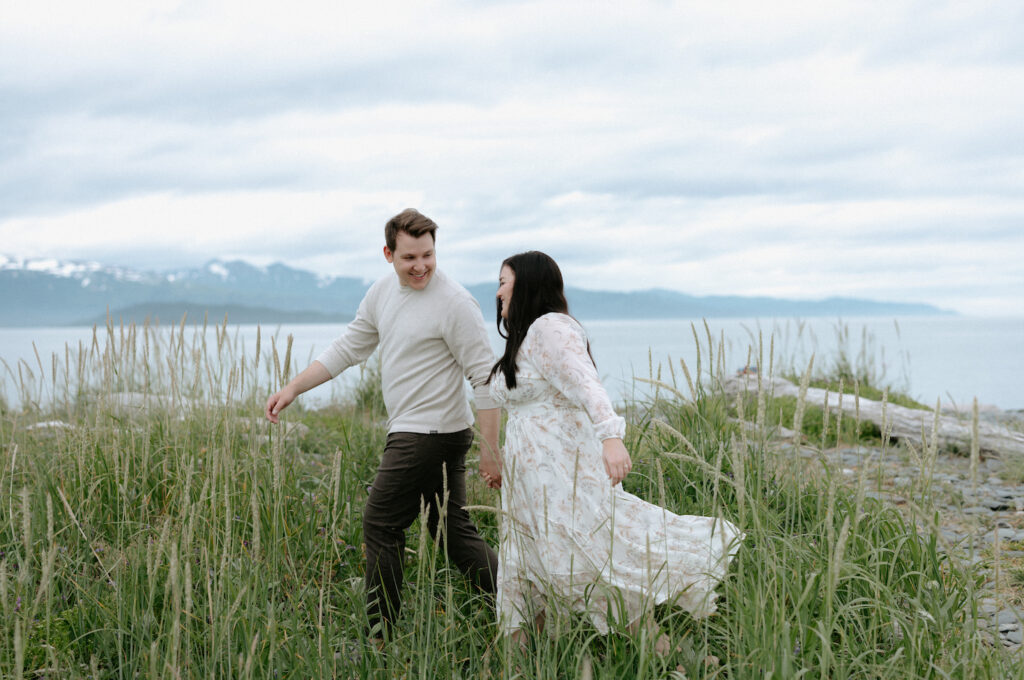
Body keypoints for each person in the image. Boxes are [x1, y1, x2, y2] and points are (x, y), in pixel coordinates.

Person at [484, 250, 742, 650]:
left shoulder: (551, 328)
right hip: (528, 489)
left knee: (588, 566)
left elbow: (588, 384)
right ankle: (518, 664)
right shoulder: (525, 340)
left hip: (562, 481)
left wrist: (611, 436)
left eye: (504, 281)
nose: (498, 292)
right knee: (524, 572)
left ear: (529, 284)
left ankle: (673, 658)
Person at [265, 208, 502, 639]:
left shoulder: (455, 302)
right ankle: (522, 603)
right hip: (420, 431)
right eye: (410, 257)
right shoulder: (381, 294)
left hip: (429, 434)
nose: (421, 267)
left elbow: (484, 378)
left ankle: (381, 636)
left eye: (428, 255)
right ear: (388, 253)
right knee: (454, 537)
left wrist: (491, 450)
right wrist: (294, 387)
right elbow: (348, 348)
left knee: (380, 524)